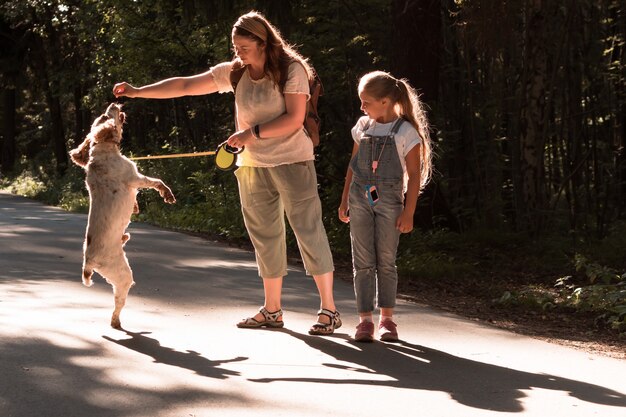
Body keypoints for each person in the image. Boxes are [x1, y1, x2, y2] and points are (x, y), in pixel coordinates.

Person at [113, 11, 341, 335]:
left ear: (263, 43)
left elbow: (294, 118)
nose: (239, 54)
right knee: (264, 237)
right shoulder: (236, 72)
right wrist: (137, 91)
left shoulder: (292, 70)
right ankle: (272, 310)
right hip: (252, 165)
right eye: (235, 48)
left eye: (244, 48)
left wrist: (250, 135)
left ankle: (329, 311)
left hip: (293, 161)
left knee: (308, 232)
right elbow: (186, 86)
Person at [338, 71, 432, 342]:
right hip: (359, 198)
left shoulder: (405, 131)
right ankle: (364, 320)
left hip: (390, 201)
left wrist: (409, 211)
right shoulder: (363, 126)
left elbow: (414, 174)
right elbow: (353, 166)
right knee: (363, 261)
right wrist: (344, 199)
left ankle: (387, 320)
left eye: (366, 102)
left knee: (386, 262)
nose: (362, 107)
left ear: (386, 101)